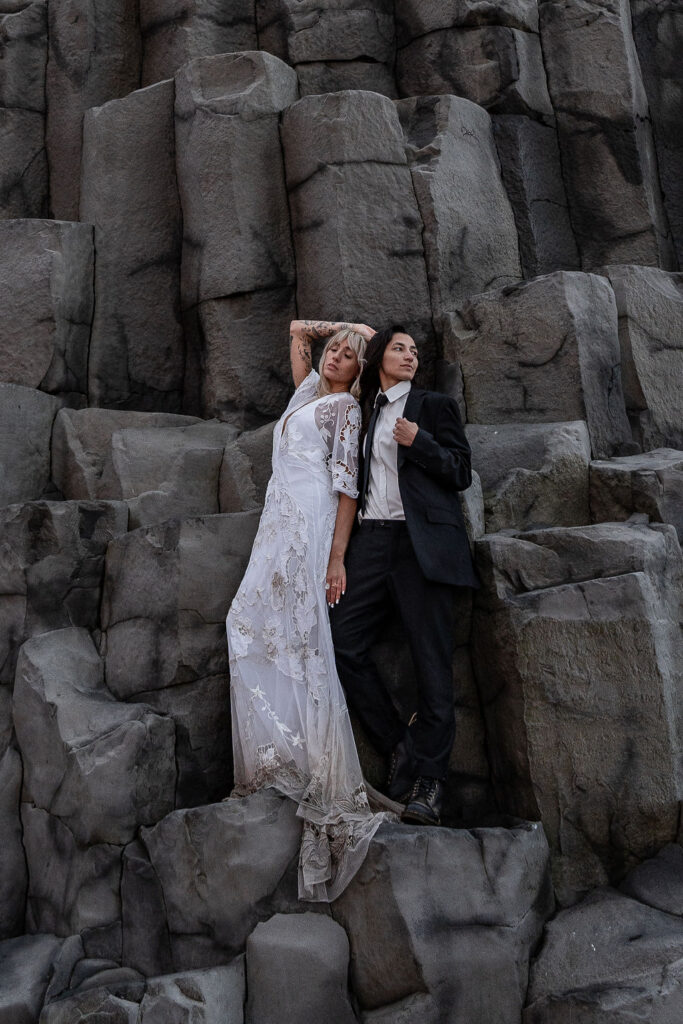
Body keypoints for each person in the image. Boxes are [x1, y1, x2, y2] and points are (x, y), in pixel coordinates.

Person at [226, 318, 393, 903]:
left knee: (299, 635)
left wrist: (337, 557)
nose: (336, 359)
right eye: (335, 352)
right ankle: (273, 761)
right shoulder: (306, 396)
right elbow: (296, 330)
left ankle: (303, 767)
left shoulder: (344, 409)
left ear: (358, 372)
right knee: (247, 625)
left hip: (312, 519)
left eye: (349, 357)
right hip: (279, 520)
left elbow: (347, 486)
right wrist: (340, 329)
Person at [331, 325, 479, 827]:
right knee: (341, 641)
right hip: (371, 543)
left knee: (431, 666)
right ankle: (398, 745)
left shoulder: (434, 406)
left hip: (422, 549)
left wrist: (421, 442)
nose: (410, 355)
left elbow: (461, 471)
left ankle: (429, 784)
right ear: (378, 360)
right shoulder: (363, 412)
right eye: (399, 348)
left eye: (415, 351)